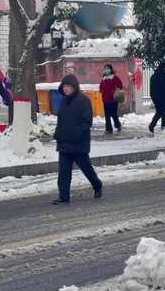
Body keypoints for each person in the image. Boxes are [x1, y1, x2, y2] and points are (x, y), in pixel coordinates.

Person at [53, 75, 102, 204]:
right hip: (64, 143)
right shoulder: (63, 101)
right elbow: (61, 121)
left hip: (78, 143)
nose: (66, 89)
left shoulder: (84, 101)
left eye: (69, 87)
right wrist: (58, 134)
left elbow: (86, 122)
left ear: (75, 87)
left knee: (86, 168)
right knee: (63, 172)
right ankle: (64, 196)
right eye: (64, 87)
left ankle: (97, 185)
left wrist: (76, 135)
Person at [99, 64, 123, 134]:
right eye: (105, 69)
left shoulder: (115, 78)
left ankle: (118, 125)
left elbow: (120, 85)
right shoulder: (103, 78)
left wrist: (115, 89)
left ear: (111, 69)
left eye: (108, 68)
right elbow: (101, 87)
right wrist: (101, 90)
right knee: (107, 115)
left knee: (113, 114)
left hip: (113, 99)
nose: (106, 70)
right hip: (105, 99)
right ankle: (108, 129)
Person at [149, 62, 165, 133]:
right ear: (163, 68)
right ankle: (152, 125)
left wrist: (153, 98)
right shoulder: (162, 76)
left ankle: (164, 126)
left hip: (159, 98)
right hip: (161, 98)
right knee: (160, 112)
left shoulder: (155, 76)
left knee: (163, 112)